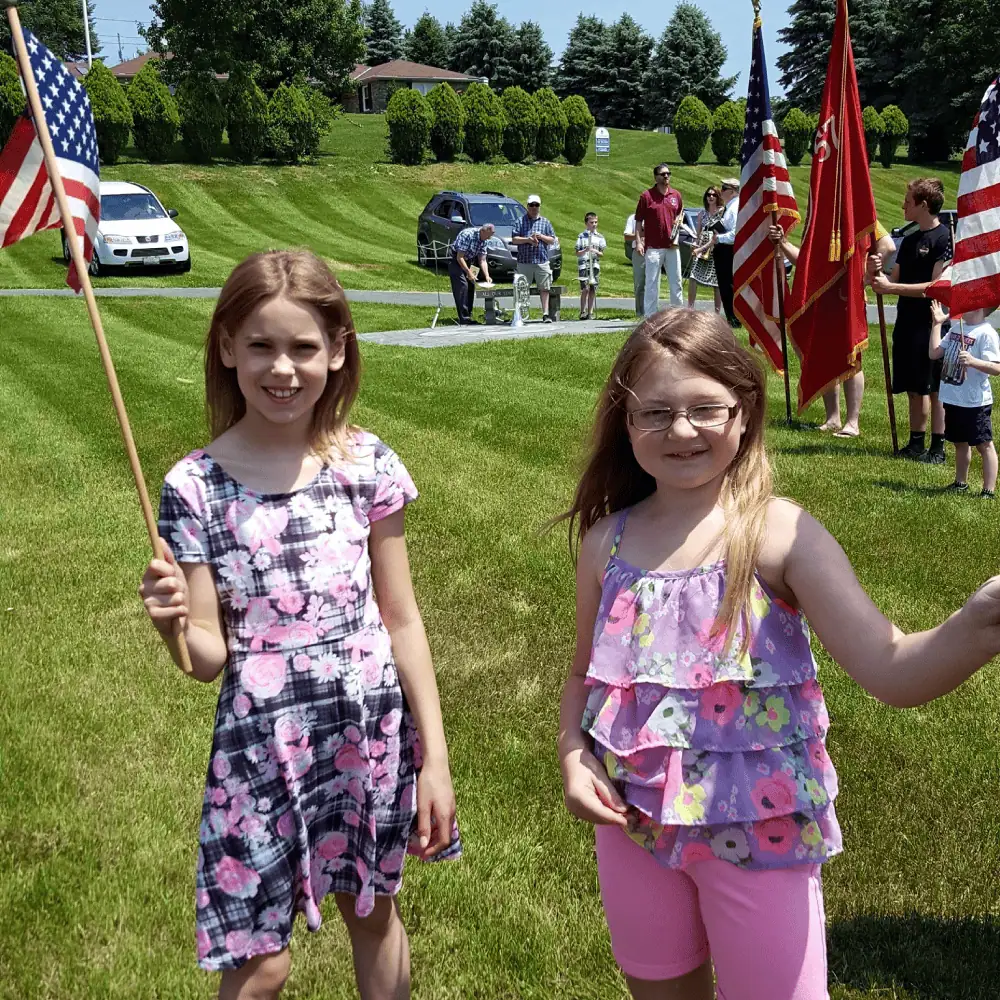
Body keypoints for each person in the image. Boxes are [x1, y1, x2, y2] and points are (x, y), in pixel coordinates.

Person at [555, 308, 1000, 1000]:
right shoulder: (604, 543)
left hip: (759, 836)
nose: (681, 430)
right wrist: (571, 751)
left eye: (706, 409)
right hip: (632, 827)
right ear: (625, 419)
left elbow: (891, 668)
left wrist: (976, 627)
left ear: (745, 409)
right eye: (656, 412)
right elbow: (584, 672)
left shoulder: (777, 535)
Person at [139, 250, 461, 998]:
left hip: (365, 729)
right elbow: (207, 656)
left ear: (339, 350)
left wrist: (435, 757)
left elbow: (402, 619)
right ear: (226, 348)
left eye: (303, 348)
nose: (282, 369)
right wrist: (170, 623)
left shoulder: (368, 465)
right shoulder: (194, 486)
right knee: (261, 961)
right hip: (260, 748)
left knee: (372, 911)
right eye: (260, 345)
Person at [769, 220, 896, 437]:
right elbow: (807, 263)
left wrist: (865, 273)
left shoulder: (856, 212)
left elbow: (888, 245)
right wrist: (782, 242)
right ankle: (833, 418)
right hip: (823, 299)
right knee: (824, 356)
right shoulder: (820, 221)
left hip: (849, 301)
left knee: (851, 355)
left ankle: (852, 422)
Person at [871, 178, 953, 463]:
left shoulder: (944, 239)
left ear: (923, 205)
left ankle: (938, 447)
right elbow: (893, 279)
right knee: (913, 386)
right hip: (906, 321)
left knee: (933, 387)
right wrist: (877, 273)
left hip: (932, 322)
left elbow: (935, 287)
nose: (903, 205)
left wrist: (891, 288)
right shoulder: (909, 240)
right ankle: (916, 443)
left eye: (908, 202)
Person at [929, 299, 1000, 498]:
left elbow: (996, 367)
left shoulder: (986, 333)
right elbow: (934, 353)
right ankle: (960, 482)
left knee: (983, 444)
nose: (957, 307)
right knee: (959, 442)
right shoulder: (954, 330)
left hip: (975, 401)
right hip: (953, 398)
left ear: (978, 307)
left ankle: (988, 490)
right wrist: (936, 324)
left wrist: (973, 361)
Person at [635, 163, 684, 317]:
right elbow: (638, 221)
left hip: (672, 246)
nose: (666, 176)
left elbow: (680, 213)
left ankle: (677, 316)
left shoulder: (676, 195)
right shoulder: (646, 196)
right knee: (651, 283)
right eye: (663, 174)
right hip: (653, 247)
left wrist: (679, 222)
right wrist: (638, 242)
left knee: (676, 282)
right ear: (656, 177)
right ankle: (650, 317)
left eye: (668, 173)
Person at [512, 194, 557, 322]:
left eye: (536, 205)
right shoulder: (520, 221)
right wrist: (528, 240)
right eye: (531, 205)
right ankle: (520, 315)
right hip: (524, 261)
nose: (534, 207)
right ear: (527, 206)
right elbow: (514, 239)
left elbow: (552, 239)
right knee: (522, 289)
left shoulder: (545, 222)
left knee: (544, 288)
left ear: (539, 206)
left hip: (541, 261)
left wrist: (541, 237)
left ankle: (545, 314)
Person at [684, 187, 723, 313]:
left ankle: (717, 312)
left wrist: (701, 248)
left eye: (714, 195)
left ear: (718, 197)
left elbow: (719, 235)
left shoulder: (722, 212)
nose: (711, 197)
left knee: (716, 282)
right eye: (708, 195)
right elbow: (698, 233)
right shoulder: (702, 213)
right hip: (702, 250)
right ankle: (690, 308)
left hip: (716, 249)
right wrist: (695, 245)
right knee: (693, 276)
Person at [448, 222, 494, 326]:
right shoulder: (467, 235)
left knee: (470, 286)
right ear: (483, 231)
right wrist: (468, 272)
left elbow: (482, 260)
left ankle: (468, 315)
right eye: (489, 234)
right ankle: (463, 318)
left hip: (469, 260)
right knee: (462, 286)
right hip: (456, 260)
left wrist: (487, 275)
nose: (490, 237)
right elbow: (459, 257)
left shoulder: (484, 240)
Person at [709, 178, 740, 327]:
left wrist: (718, 238)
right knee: (725, 285)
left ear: (733, 191)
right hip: (724, 250)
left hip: (728, 250)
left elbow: (735, 234)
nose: (720, 191)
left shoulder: (734, 208)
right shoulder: (730, 206)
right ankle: (731, 317)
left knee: (728, 285)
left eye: (724, 188)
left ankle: (733, 318)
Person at [576, 212, 607, 320]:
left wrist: (595, 251)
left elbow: (602, 253)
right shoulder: (581, 236)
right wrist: (585, 250)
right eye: (591, 222)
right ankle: (582, 311)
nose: (594, 224)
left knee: (593, 288)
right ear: (586, 223)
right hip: (584, 264)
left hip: (594, 265)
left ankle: (590, 312)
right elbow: (577, 253)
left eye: (596, 222)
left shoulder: (600, 237)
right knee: (585, 289)